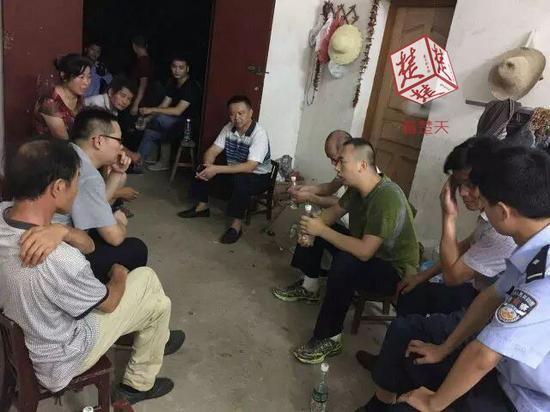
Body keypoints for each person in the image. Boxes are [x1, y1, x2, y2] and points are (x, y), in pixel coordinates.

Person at [360, 145, 550, 412]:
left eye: (484, 199)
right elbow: (491, 297)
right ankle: (389, 385)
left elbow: (483, 355)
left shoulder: (543, 275)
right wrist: (444, 348)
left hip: (524, 399)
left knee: (411, 405)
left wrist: (433, 402)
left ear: (503, 212)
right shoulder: (533, 247)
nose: (473, 199)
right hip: (506, 373)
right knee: (413, 346)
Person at [0, 140, 185, 404]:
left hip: (27, 334)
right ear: (59, 187)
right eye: (77, 180)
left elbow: (88, 246)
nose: (77, 189)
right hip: (60, 360)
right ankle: (138, 384)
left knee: (152, 299)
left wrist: (63, 230)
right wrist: (119, 274)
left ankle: (155, 336)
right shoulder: (60, 260)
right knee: (151, 288)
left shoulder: (3, 215)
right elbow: (110, 303)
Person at [355, 138, 517, 375]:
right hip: (475, 292)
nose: (463, 193)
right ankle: (393, 361)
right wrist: (420, 277)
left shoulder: (502, 231)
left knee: (404, 328)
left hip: (489, 312)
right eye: (458, 184)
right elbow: (464, 248)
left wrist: (448, 216)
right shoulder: (488, 217)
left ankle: (396, 372)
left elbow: (453, 277)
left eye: (470, 184)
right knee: (411, 293)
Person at [273, 139, 419, 364]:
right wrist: (312, 228)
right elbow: (330, 215)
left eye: (342, 161)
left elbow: (365, 252)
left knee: (345, 264)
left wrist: (320, 230)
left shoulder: (387, 197)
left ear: (362, 165)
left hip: (393, 269)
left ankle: (329, 337)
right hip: (368, 250)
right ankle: (309, 287)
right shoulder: (356, 188)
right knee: (316, 222)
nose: (337, 167)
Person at [54, 108, 148, 283]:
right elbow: (114, 237)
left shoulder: (67, 151)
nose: (121, 147)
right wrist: (120, 220)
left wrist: (117, 173)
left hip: (46, 238)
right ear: (98, 141)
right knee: (136, 249)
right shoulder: (88, 175)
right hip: (60, 254)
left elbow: (95, 207)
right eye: (118, 140)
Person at [178, 95, 271, 244]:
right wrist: (209, 166)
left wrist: (216, 169)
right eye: (232, 114)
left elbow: (250, 166)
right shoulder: (228, 128)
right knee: (202, 167)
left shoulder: (259, 134)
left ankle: (236, 226)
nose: (236, 118)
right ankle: (202, 207)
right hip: (236, 170)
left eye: (241, 113)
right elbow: (212, 151)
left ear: (251, 113)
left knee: (241, 182)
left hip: (258, 176)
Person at [136, 54, 202, 172]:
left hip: (189, 124)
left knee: (161, 119)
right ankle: (137, 163)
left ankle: (161, 159)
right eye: (174, 67)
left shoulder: (191, 86)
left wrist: (152, 110)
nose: (177, 70)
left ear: (187, 69)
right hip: (173, 123)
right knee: (150, 130)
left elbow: (178, 111)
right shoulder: (173, 83)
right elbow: (163, 105)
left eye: (181, 67)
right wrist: (147, 118)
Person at [34, 53, 92, 139]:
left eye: (89, 77)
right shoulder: (50, 102)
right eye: (81, 77)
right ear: (64, 75)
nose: (86, 82)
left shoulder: (79, 97)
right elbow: (64, 141)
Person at [288, 130, 351, 209]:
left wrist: (310, 197)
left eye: (334, 159)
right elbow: (330, 187)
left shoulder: (355, 173)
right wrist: (305, 189)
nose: (333, 165)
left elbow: (345, 204)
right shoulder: (344, 168)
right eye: (330, 159)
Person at [129, 35, 153, 117]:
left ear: (133, 46)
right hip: (144, 101)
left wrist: (136, 104)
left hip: (141, 104)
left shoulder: (144, 62)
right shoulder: (147, 61)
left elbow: (143, 84)